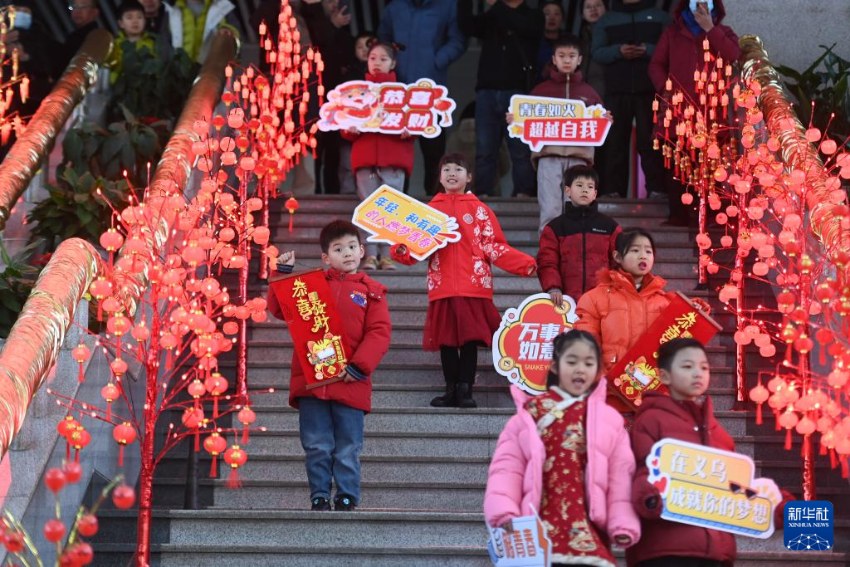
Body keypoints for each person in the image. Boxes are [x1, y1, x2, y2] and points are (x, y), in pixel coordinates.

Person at [391, 153, 537, 408]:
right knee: (447, 340)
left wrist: (527, 264)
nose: (451, 173)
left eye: (458, 169)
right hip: (443, 286)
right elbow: (416, 248)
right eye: (446, 169)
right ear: (439, 177)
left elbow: (495, 246)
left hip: (474, 286)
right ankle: (450, 389)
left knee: (469, 341)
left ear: (469, 177)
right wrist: (401, 251)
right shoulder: (428, 212)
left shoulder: (480, 210)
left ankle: (465, 388)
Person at [484, 330, 640, 566]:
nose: (580, 369)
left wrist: (622, 521)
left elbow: (620, 474)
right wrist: (504, 510)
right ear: (555, 367)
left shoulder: (609, 419)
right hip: (539, 525)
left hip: (588, 528)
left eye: (588, 363)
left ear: (598, 372)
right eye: (572, 361)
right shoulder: (532, 412)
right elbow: (507, 468)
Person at [267, 220, 392, 512]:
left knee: (348, 446)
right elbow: (278, 309)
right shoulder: (310, 286)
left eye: (351, 247)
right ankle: (319, 494)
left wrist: (360, 366)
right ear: (326, 257)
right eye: (338, 249)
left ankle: (347, 494)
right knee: (316, 444)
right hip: (312, 383)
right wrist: (282, 273)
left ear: (362, 250)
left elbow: (379, 333)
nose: (346, 253)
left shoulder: (372, 291)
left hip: (351, 381)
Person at [627, 337, 735, 566]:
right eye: (687, 366)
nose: (698, 373)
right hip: (666, 551)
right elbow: (642, 472)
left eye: (704, 367)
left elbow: (735, 485)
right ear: (664, 376)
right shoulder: (651, 420)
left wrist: (772, 505)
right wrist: (650, 499)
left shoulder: (719, 434)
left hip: (716, 552)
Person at [648, 0, 739, 225]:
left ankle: (711, 214)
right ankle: (678, 214)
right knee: (676, 162)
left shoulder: (724, 32)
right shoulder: (672, 34)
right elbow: (655, 65)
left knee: (710, 164)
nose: (699, 5)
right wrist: (666, 89)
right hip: (679, 110)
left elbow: (734, 55)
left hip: (713, 113)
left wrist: (710, 29)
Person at [517, 34, 606, 232]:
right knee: (550, 209)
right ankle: (549, 258)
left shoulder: (589, 92)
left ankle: (572, 255)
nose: (567, 60)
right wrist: (515, 120)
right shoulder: (540, 90)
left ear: (580, 59)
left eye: (572, 56)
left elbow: (600, 124)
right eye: (562, 55)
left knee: (576, 209)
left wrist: (605, 119)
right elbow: (523, 120)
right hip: (548, 156)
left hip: (579, 158)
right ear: (554, 59)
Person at [378, 0, 466, 195]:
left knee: (434, 150)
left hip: (431, 91)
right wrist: (392, 62)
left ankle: (435, 200)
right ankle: (398, 196)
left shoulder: (446, 6)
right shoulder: (395, 8)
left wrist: (438, 60)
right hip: (398, 91)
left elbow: (458, 40)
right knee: (397, 149)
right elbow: (383, 40)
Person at [342, 40, 415, 271]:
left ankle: (388, 255)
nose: (377, 63)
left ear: (393, 63)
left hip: (393, 158)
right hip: (365, 158)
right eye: (373, 58)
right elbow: (344, 126)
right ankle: (371, 255)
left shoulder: (404, 93)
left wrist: (409, 130)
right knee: (368, 207)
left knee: (391, 208)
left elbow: (417, 125)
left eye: (383, 59)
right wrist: (349, 129)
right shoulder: (356, 91)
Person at [458, 0, 543, 198]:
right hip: (487, 91)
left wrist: (496, 4)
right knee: (485, 149)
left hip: (518, 93)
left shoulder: (533, 16)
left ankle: (523, 191)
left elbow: (519, 25)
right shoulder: (493, 15)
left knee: (520, 150)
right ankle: (484, 192)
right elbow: (466, 25)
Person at [592, 0, 669, 199]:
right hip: (616, 90)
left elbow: (668, 48)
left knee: (650, 141)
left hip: (649, 89)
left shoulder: (659, 16)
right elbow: (597, 52)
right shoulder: (607, 19)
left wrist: (647, 50)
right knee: (615, 142)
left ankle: (656, 189)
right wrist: (618, 51)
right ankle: (613, 190)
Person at [574, 228, 671, 375]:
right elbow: (586, 344)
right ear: (618, 257)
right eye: (635, 250)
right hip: (610, 386)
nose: (643, 256)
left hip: (652, 388)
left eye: (648, 252)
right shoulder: (594, 298)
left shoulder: (664, 301)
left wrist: (695, 309)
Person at [537, 165, 620, 306]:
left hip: (603, 300)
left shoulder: (610, 226)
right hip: (565, 301)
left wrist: (616, 288)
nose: (585, 190)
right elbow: (547, 262)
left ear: (594, 193)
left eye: (590, 187)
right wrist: (553, 287)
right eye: (579, 185)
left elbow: (618, 263)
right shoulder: (555, 227)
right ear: (568, 191)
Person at [302, 0, 354, 194]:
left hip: (337, 99)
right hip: (313, 96)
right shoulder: (310, 19)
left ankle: (332, 192)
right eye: (330, 1)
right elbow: (318, 44)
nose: (334, 4)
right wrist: (331, 25)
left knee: (333, 150)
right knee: (315, 148)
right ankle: (313, 191)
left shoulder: (344, 29)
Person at [338, 31, 376, 195]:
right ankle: (347, 197)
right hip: (351, 129)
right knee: (348, 164)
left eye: (367, 46)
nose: (363, 50)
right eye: (359, 46)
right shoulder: (348, 73)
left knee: (370, 171)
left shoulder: (384, 78)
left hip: (373, 133)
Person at [162, 0, 239, 64]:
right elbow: (164, 47)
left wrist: (227, 35)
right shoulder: (170, 11)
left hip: (212, 74)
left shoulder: (224, 8)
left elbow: (236, 40)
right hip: (179, 76)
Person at [109, 0, 157, 85]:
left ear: (145, 20)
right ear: (121, 23)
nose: (135, 21)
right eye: (129, 17)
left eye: (139, 17)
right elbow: (110, 73)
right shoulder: (114, 46)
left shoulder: (153, 43)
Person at [57, 0, 100, 74]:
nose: (77, 11)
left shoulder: (96, 37)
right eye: (74, 6)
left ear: (95, 12)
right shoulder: (74, 37)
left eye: (83, 7)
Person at [535, 0, 564, 82]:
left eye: (556, 14)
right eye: (547, 14)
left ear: (562, 18)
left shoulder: (570, 43)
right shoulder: (532, 41)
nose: (552, 18)